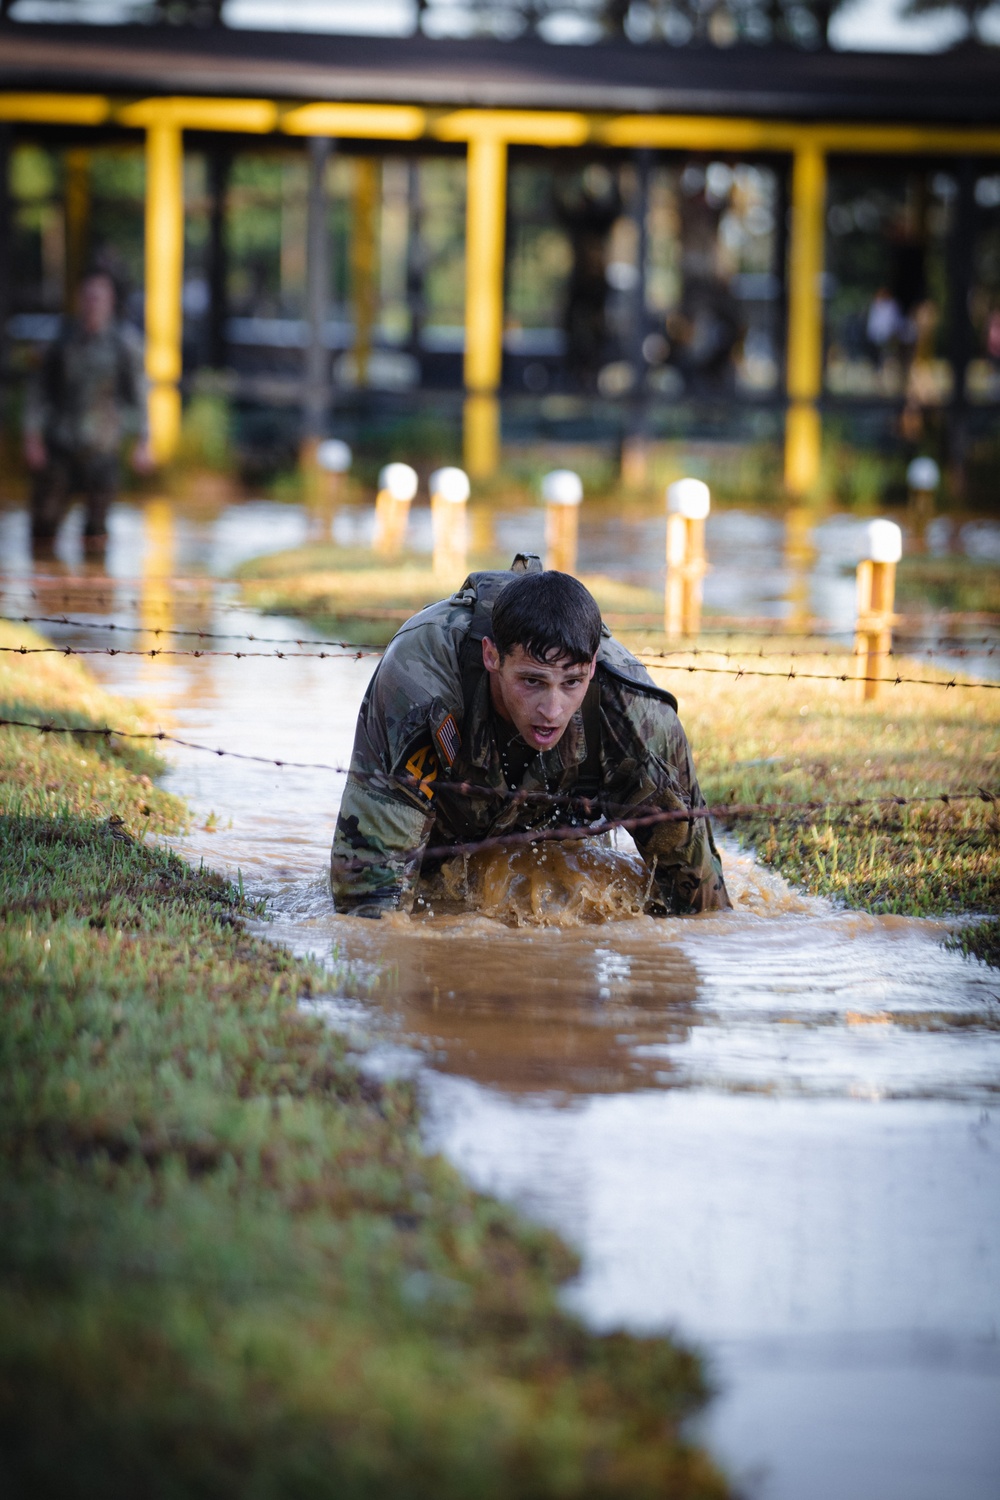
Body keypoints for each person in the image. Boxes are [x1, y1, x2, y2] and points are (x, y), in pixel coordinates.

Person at [331, 559, 731, 918]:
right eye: (531, 681)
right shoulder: (420, 684)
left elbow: (701, 905)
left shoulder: (637, 718)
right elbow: (369, 900)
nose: (552, 709)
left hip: (559, 826)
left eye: (571, 682)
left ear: (592, 667)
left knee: (579, 902)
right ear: (492, 656)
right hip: (442, 820)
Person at [23, 269, 152, 550]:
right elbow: (39, 390)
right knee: (42, 528)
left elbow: (140, 395)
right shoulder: (60, 339)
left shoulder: (124, 344)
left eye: (99, 297)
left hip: (102, 448)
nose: (93, 303)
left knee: (96, 534)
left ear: (110, 301)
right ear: (80, 300)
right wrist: (32, 436)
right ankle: (45, 587)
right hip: (60, 444)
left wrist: (144, 441)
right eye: (88, 297)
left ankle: (96, 586)